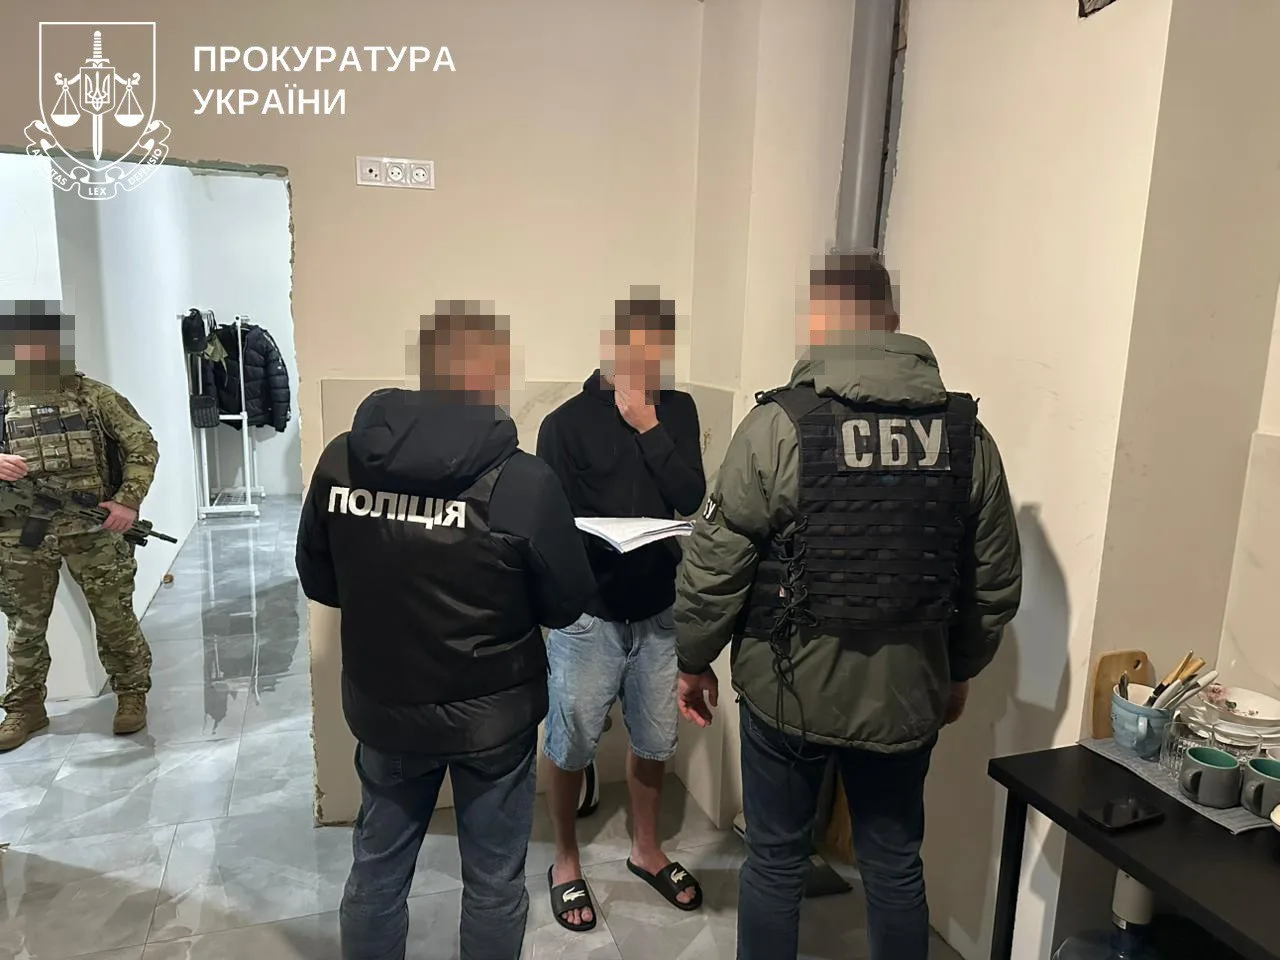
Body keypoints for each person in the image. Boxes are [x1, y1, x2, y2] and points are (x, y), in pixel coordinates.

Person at [673, 252, 1023, 960]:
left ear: (821, 323)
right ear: (891, 322)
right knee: (893, 866)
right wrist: (957, 671)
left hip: (788, 691)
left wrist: (693, 658)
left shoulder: (779, 425)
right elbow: (993, 584)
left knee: (775, 861)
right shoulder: (966, 438)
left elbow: (716, 560)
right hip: (906, 695)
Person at [295, 302, 595, 960]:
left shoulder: (343, 460)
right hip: (493, 721)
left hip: (386, 708)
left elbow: (320, 580)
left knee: (377, 874)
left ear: (429, 366)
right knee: (493, 882)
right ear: (492, 373)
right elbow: (567, 603)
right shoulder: (524, 481)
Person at [535, 290, 706, 931]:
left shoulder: (677, 411)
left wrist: (649, 428)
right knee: (570, 741)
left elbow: (691, 495)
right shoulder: (564, 423)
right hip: (589, 613)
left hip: (658, 608)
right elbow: (549, 527)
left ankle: (646, 849)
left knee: (656, 739)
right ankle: (565, 860)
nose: (647, 361)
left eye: (658, 349)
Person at [0, 302, 159, 750]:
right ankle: (23, 709)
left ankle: (131, 694)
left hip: (91, 530)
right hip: (20, 534)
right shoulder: (2, 398)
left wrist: (127, 502)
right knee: (24, 625)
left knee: (113, 616)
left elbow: (142, 446)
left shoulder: (94, 396)